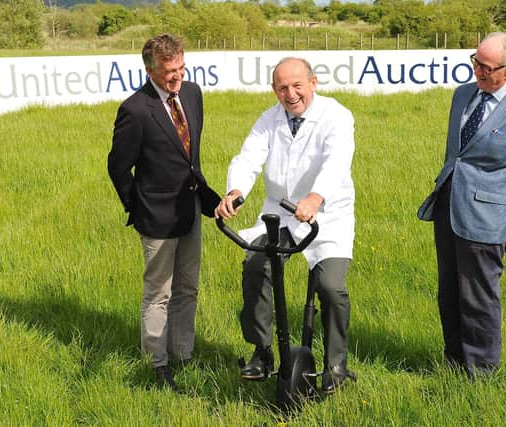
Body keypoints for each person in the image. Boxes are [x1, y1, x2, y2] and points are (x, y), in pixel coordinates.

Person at [215, 57, 356, 394]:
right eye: (282, 88)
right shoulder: (270, 118)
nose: (290, 94)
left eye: (297, 86)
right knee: (255, 266)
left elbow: (337, 161)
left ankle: (336, 365)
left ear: (313, 83)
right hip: (280, 216)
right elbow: (248, 157)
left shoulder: (336, 116)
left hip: (327, 216)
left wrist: (316, 197)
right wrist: (235, 191)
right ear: (274, 89)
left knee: (331, 287)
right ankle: (262, 352)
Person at [417, 32, 506, 379]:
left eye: (488, 67)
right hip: (448, 208)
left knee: (479, 298)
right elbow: (456, 156)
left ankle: (482, 373)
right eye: (476, 62)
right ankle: (454, 361)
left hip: (487, 217)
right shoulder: (462, 96)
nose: (479, 71)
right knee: (449, 292)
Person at [107, 34, 220, 389]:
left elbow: (190, 159)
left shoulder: (192, 94)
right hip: (155, 217)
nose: (178, 77)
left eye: (181, 68)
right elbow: (118, 167)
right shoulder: (135, 109)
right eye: (170, 72)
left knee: (188, 288)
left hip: (191, 207)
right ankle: (157, 364)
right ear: (150, 70)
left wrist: (209, 198)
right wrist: (139, 208)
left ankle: (183, 354)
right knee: (159, 294)